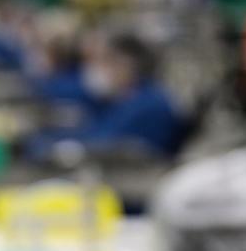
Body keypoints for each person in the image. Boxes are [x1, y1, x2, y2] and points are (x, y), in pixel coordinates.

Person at [26, 31, 186, 160]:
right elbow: (97, 132)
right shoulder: (126, 98)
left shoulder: (150, 105)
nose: (103, 69)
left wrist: (65, 149)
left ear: (127, 65)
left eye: (107, 62)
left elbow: (124, 149)